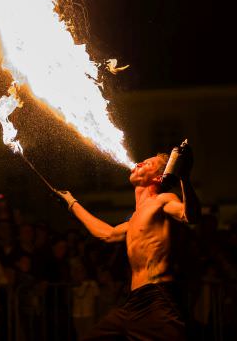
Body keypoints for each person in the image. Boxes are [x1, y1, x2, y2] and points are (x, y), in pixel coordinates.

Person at [57, 145, 200, 340]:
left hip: (158, 298)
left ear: (158, 178)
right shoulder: (134, 218)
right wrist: (72, 203)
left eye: (147, 163)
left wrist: (184, 177)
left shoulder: (163, 200)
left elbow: (189, 215)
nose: (139, 163)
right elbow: (108, 234)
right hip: (132, 302)